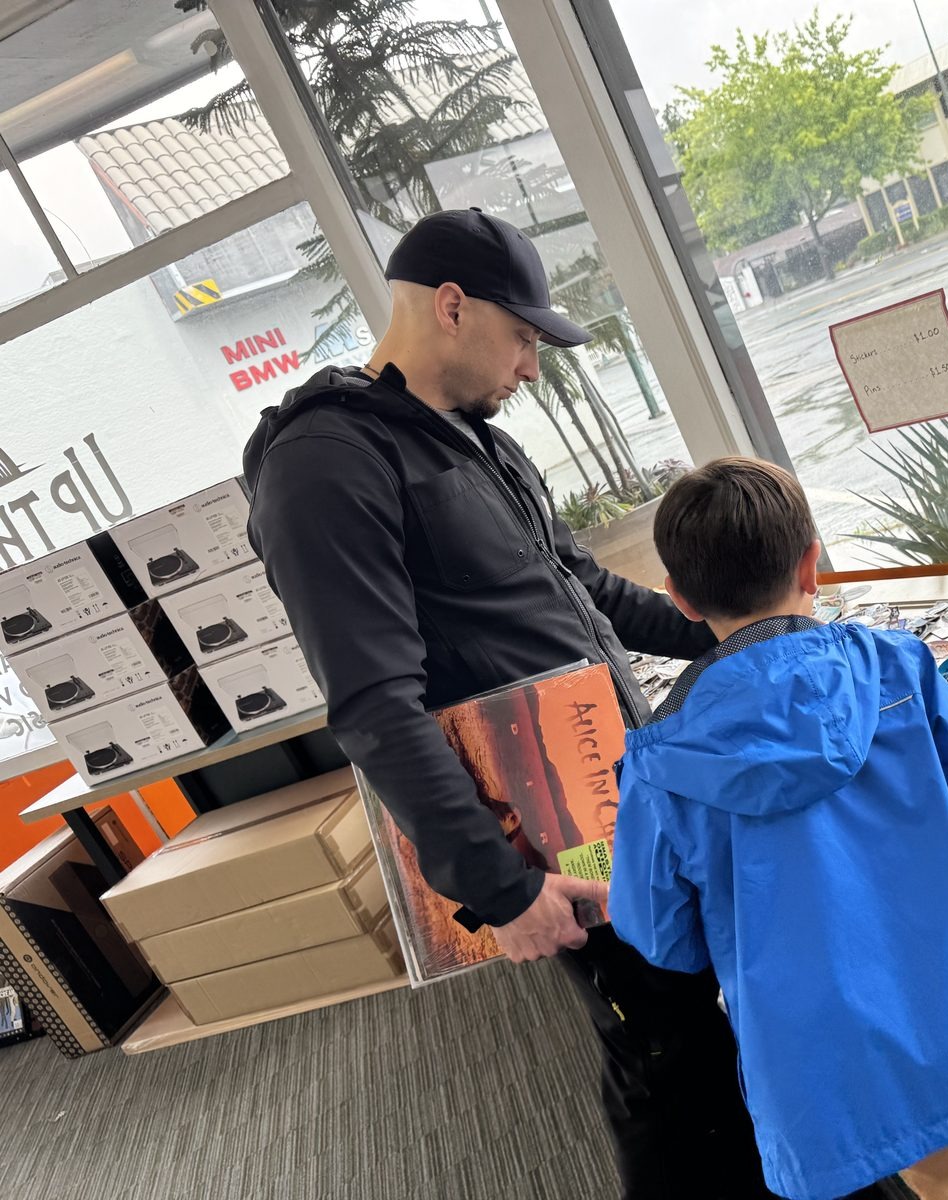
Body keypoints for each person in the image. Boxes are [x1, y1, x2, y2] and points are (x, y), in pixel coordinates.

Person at [242, 209, 773, 1199]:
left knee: (708, 1021)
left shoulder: (480, 442)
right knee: (661, 1052)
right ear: (452, 307)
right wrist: (501, 887)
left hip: (617, 794)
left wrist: (744, 625)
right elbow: (374, 707)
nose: (531, 366)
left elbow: (586, 592)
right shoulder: (324, 465)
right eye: (523, 337)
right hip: (540, 836)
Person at [609, 457, 948, 1200]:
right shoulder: (894, 665)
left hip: (818, 1046)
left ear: (680, 599)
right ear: (811, 564)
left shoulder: (659, 764)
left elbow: (662, 936)